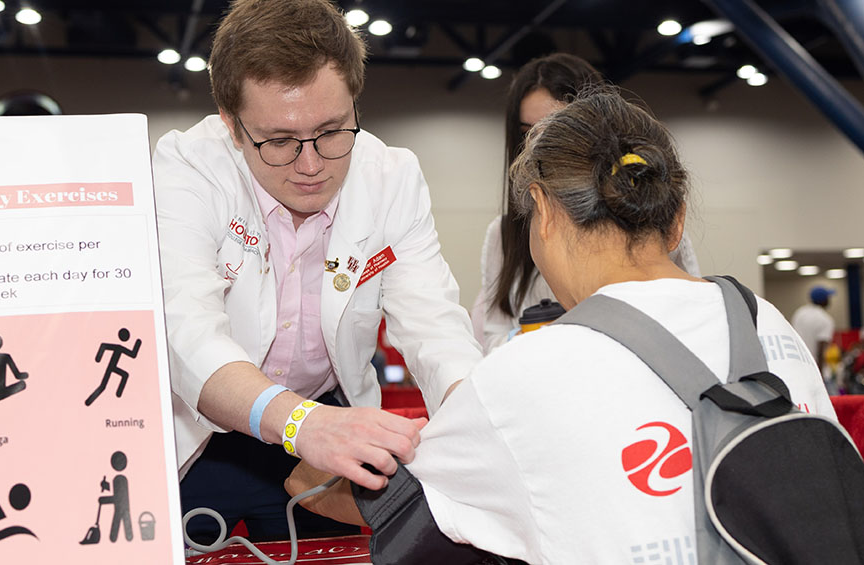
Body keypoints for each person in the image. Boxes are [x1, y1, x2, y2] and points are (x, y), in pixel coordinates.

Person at [286, 88, 835, 562]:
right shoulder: (764, 321)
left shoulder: (534, 369)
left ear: (543, 211)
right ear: (678, 215)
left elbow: (323, 486)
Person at [152, 0, 482, 542]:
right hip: (205, 429)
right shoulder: (187, 168)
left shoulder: (389, 176)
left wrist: (477, 415)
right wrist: (302, 424)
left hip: (330, 424)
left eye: (332, 131)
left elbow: (434, 325)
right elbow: (186, 334)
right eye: (279, 141)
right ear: (232, 126)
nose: (311, 166)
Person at [470, 53, 700, 353]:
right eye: (528, 133)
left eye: (557, 127)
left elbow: (691, 312)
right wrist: (536, 337)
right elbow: (493, 335)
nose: (540, 147)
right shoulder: (504, 234)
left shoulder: (650, 217)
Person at [792, 285, 837, 390]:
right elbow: (821, 350)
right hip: (816, 370)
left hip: (800, 367)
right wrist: (819, 377)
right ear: (823, 300)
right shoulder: (825, 319)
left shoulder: (799, 313)